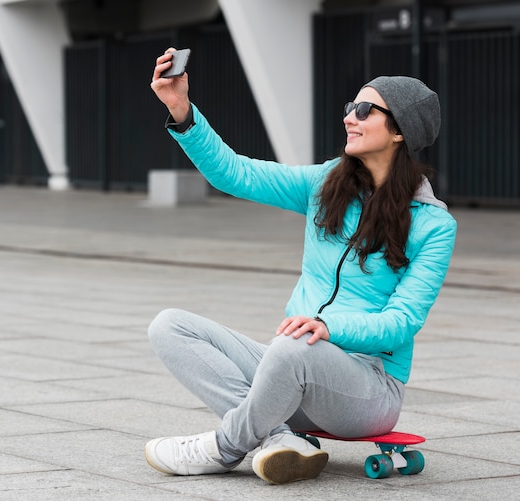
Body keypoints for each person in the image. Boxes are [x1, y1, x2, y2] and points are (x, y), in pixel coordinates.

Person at [144, 48, 456, 485]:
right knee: (170, 325)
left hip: (367, 389)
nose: (350, 116)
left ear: (401, 131)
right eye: (351, 107)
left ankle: (221, 447)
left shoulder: (433, 226)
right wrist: (182, 111)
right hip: (296, 366)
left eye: (365, 110)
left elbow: (401, 323)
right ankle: (276, 437)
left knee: (292, 346)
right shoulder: (326, 184)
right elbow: (236, 174)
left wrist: (330, 329)